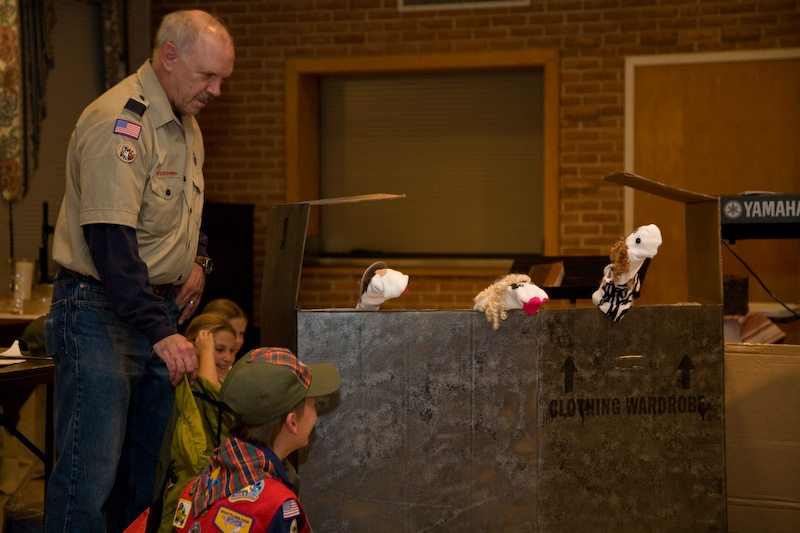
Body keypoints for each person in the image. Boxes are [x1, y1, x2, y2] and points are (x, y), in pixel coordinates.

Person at [43, 10, 235, 533]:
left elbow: (188, 212)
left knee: (143, 488)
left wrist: (199, 261)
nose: (217, 91)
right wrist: (159, 330)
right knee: (87, 484)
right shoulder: (120, 122)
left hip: (155, 315)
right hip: (100, 313)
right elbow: (111, 241)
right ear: (169, 57)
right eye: (208, 76)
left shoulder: (185, 124)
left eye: (223, 78)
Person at [171, 347, 341, 532]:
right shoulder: (277, 506)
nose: (316, 415)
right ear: (292, 422)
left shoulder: (201, 480)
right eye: (314, 405)